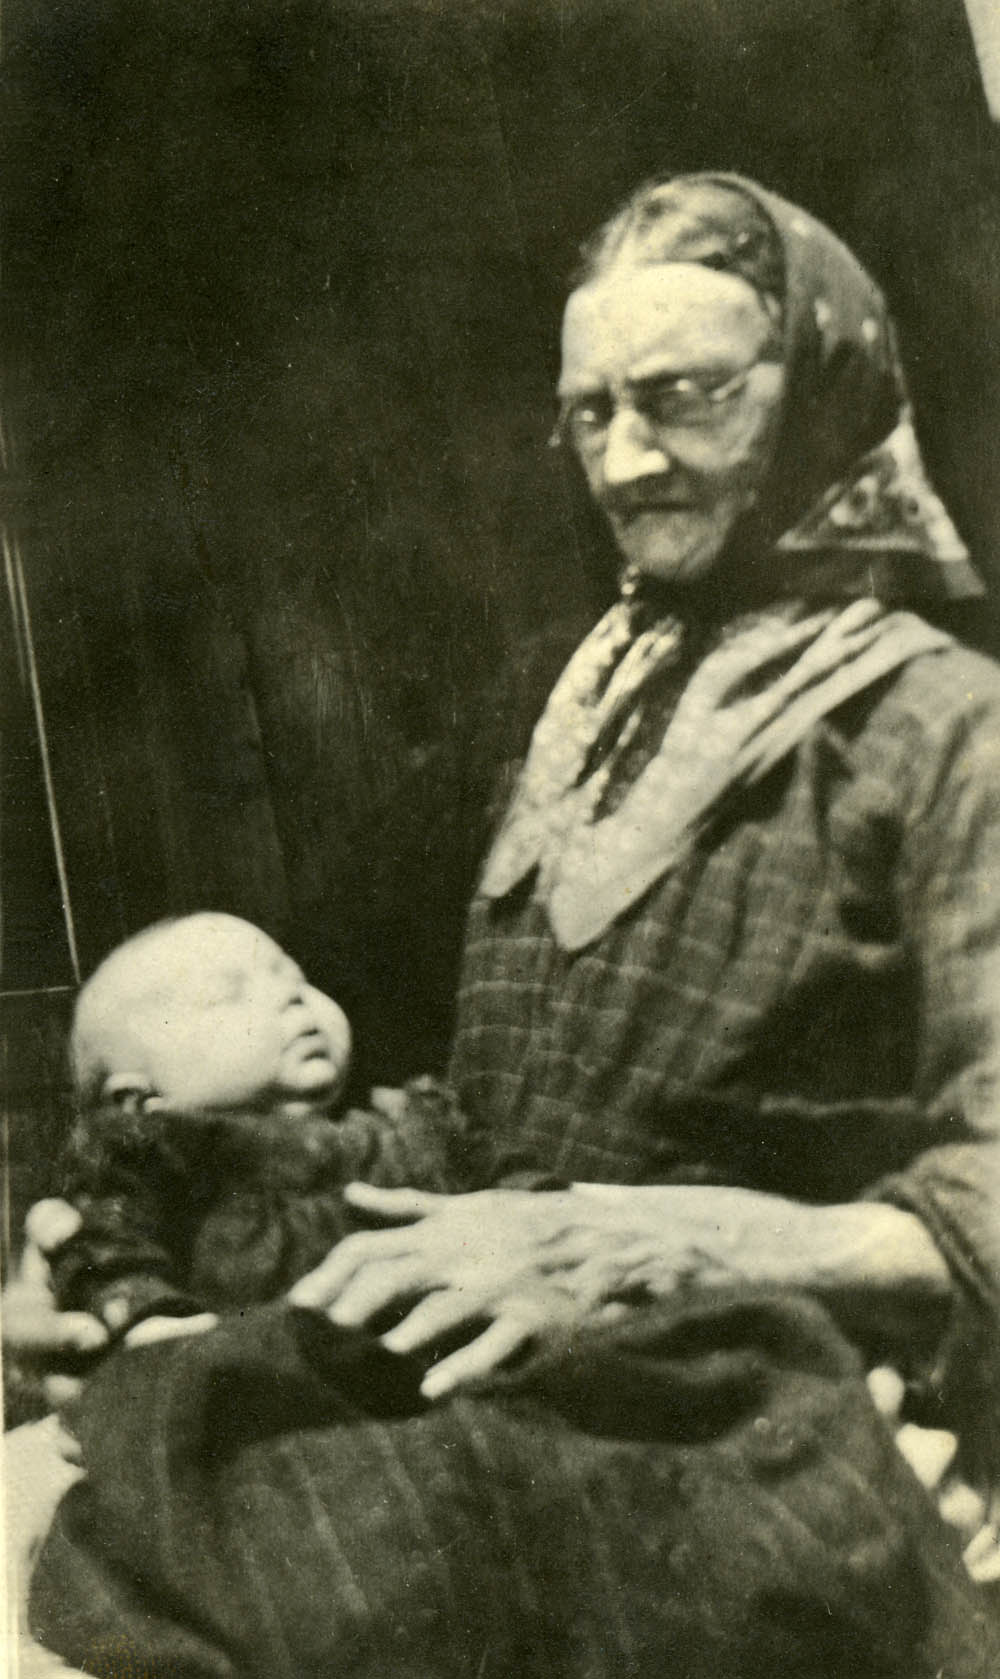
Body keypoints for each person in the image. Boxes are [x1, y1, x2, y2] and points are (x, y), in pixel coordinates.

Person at [11, 173, 1000, 1677]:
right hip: (527, 1375)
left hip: (776, 1408)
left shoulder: (947, 734)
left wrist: (642, 1248)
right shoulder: (575, 700)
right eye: (589, 412)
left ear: (825, 392)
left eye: (681, 397)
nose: (627, 460)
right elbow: (440, 1094)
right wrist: (117, 1241)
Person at [48, 910, 516, 1340]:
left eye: (297, 979)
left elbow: (521, 1196)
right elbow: (103, 1249)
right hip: (251, 1373)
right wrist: (151, 1319)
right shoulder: (146, 1156)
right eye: (228, 994)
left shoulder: (411, 1122)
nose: (291, 996)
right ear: (136, 1100)